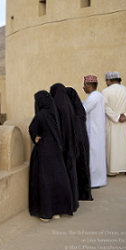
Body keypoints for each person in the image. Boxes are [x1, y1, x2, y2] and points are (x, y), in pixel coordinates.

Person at [28, 91, 74, 222]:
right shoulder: (54, 114)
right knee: (56, 179)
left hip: (43, 151)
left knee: (45, 182)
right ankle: (57, 210)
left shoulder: (41, 115)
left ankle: (46, 213)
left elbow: (32, 129)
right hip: (56, 149)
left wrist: (36, 139)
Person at [102, 72, 126, 177]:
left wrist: (115, 117)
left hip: (113, 123)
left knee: (113, 146)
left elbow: (105, 106)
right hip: (125, 123)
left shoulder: (105, 91)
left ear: (109, 80)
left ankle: (113, 170)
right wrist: (125, 115)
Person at [50, 83, 79, 212]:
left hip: (62, 148)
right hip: (71, 147)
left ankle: (64, 205)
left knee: (62, 177)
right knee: (71, 175)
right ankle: (73, 202)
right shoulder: (69, 107)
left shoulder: (56, 107)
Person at [66, 87, 93, 201]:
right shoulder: (79, 110)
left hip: (74, 144)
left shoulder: (69, 113)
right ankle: (84, 193)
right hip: (83, 143)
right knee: (83, 167)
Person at [82, 75, 107, 188]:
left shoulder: (93, 97)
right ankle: (98, 180)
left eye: (84, 85)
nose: (83, 88)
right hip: (98, 132)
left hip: (93, 132)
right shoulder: (99, 96)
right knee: (97, 157)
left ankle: (94, 182)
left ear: (89, 85)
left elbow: (84, 110)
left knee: (93, 157)